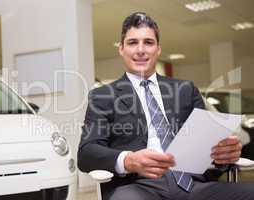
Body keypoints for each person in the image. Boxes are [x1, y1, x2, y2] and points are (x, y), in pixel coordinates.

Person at [77, 12, 254, 200]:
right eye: (132, 42)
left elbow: (206, 146)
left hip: (193, 185)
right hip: (137, 186)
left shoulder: (185, 90)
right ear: (121, 49)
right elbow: (87, 153)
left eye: (148, 42)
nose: (140, 50)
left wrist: (223, 156)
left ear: (158, 49)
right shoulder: (103, 96)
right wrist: (128, 160)